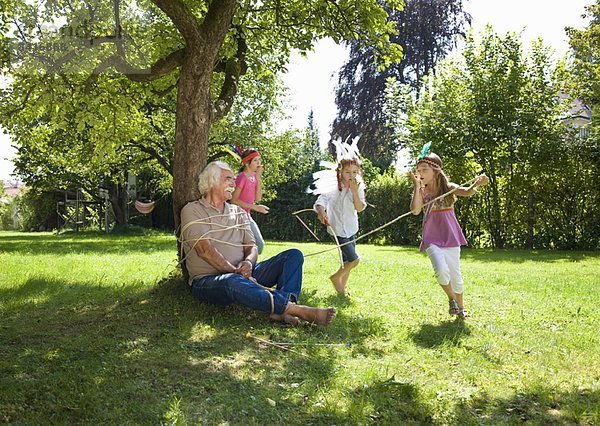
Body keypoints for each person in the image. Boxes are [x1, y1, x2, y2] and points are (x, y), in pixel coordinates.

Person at [180, 161, 336, 326]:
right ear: (211, 181)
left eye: (234, 179)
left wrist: (248, 262)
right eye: (228, 179)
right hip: (211, 281)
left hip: (244, 274)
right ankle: (295, 309)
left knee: (293, 256)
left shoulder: (238, 212)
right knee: (232, 280)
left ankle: (284, 310)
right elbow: (204, 250)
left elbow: (251, 246)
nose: (234, 183)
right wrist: (234, 272)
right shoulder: (192, 210)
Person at [409, 151, 489, 319]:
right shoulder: (421, 192)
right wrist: (417, 187)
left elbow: (467, 191)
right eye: (418, 170)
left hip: (450, 237)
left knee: (455, 275)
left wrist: (477, 184)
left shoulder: (448, 188)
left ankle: (461, 307)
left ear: (435, 172)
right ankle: (452, 299)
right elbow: (415, 211)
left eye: (424, 170)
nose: (420, 174)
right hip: (431, 238)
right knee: (440, 270)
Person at [314, 157, 367, 296]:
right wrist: (321, 212)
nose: (352, 175)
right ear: (340, 172)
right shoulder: (332, 187)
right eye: (348, 172)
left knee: (346, 261)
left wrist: (355, 191)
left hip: (351, 228)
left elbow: (360, 208)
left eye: (355, 172)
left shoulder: (358, 186)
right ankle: (335, 278)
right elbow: (320, 201)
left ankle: (341, 289)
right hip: (336, 229)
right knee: (354, 259)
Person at [230, 148, 268, 254]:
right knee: (257, 245)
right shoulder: (241, 177)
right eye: (255, 160)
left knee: (259, 245)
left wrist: (259, 178)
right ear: (247, 163)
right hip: (237, 216)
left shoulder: (254, 177)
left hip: (246, 215)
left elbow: (258, 198)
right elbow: (233, 200)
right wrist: (255, 207)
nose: (259, 163)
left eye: (259, 160)